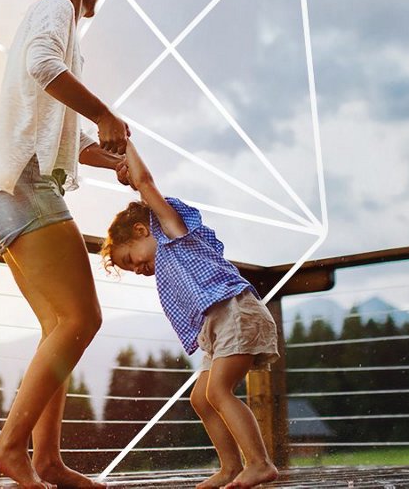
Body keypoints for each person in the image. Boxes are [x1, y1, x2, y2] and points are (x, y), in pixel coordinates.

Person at [0, 0, 129, 487]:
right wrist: (105, 112)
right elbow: (43, 66)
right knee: (81, 320)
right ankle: (10, 447)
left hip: (4, 188)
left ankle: (47, 460)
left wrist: (115, 158)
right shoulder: (57, 8)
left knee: (59, 327)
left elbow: (65, 137)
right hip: (20, 186)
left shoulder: (52, 19)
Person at [103, 142, 280, 489]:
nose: (137, 269)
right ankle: (230, 468)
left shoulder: (173, 233)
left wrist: (126, 147)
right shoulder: (164, 254)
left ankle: (259, 463)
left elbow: (146, 183)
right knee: (201, 397)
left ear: (141, 231)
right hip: (216, 325)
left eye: (130, 259)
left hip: (235, 311)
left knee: (219, 391)